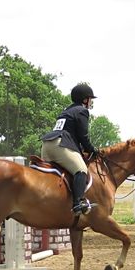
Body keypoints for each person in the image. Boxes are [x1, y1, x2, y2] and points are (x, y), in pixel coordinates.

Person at [41, 83, 99, 216]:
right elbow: (83, 137)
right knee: (81, 170)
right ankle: (77, 203)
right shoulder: (82, 111)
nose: (91, 102)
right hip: (60, 145)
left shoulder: (66, 111)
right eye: (90, 99)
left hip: (46, 145)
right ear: (85, 99)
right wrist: (92, 150)